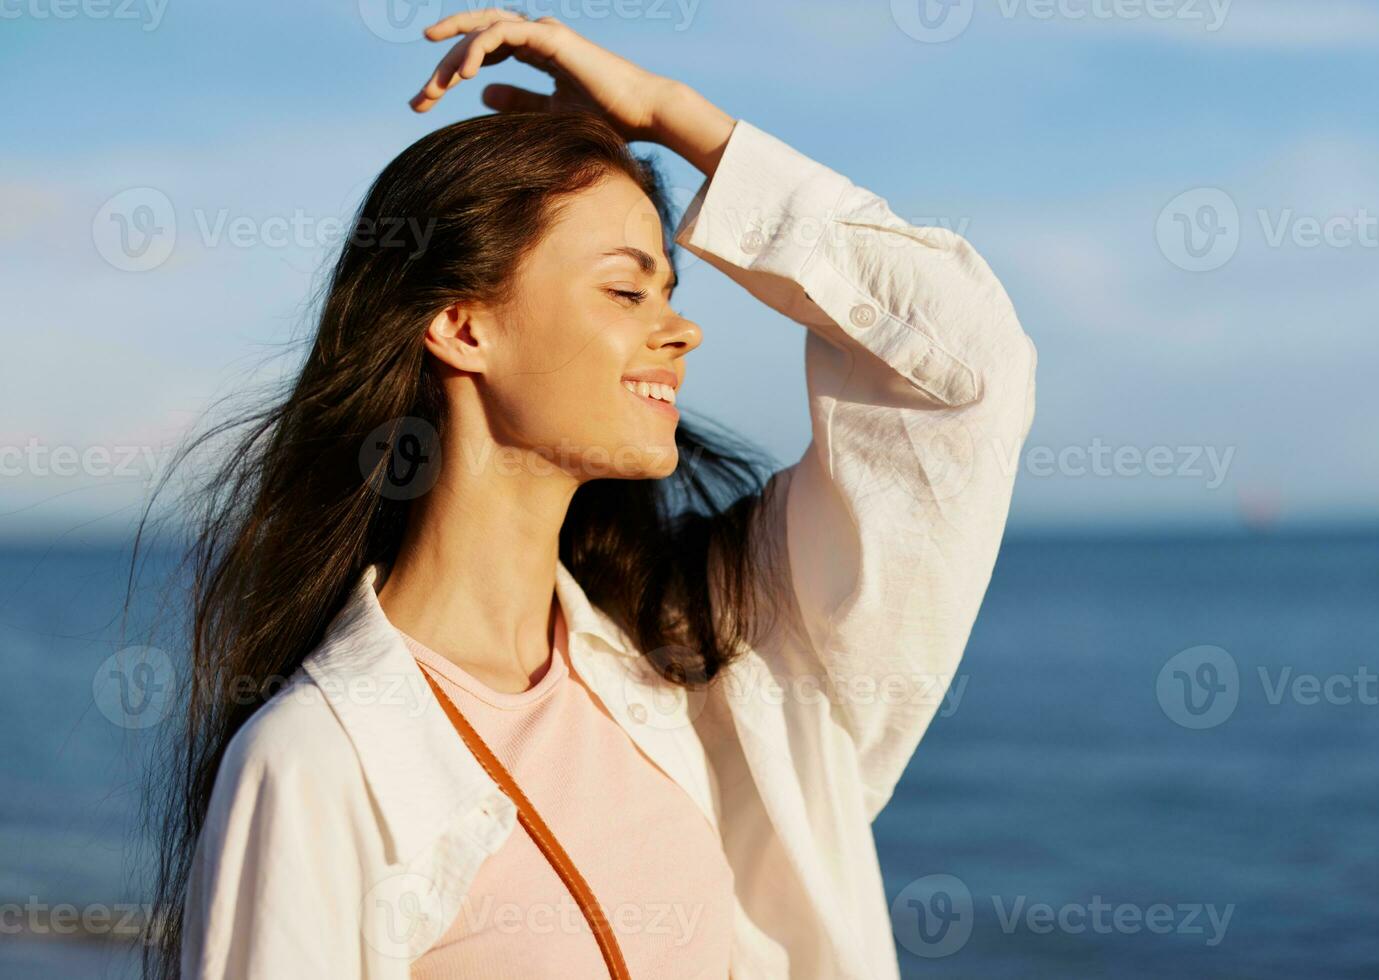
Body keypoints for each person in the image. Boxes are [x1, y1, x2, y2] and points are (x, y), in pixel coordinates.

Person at [152, 9, 1037, 978]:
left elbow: (965, 369)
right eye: (626, 291)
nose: (682, 332)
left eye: (671, 291)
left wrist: (671, 117)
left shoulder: (693, 660)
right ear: (460, 325)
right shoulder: (318, 760)